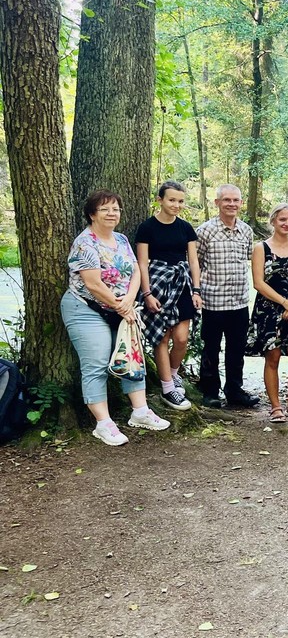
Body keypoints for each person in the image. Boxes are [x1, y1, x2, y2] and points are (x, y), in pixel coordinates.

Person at [61, 190, 170, 445]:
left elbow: (136, 271)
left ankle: (140, 411)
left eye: (116, 209)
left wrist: (129, 300)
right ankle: (103, 424)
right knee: (97, 363)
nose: (112, 213)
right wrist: (121, 307)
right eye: (105, 209)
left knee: (131, 356)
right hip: (86, 309)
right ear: (92, 214)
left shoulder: (121, 239)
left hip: (121, 308)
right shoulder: (85, 243)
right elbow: (93, 284)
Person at [245, 203, 288, 422]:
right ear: (273, 221)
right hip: (269, 310)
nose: (287, 224)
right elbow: (258, 283)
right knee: (273, 359)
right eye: (282, 219)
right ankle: (276, 407)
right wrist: (284, 303)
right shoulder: (261, 248)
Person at [136, 180, 202, 411]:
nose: (176, 205)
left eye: (180, 201)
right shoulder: (147, 227)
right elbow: (142, 263)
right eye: (172, 200)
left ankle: (173, 374)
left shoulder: (186, 228)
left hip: (182, 284)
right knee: (162, 337)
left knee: (182, 338)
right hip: (157, 283)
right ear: (160, 200)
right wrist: (147, 293)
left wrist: (196, 290)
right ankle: (167, 389)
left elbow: (193, 261)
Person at [196, 184, 259, 408]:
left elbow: (247, 260)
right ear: (217, 203)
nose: (231, 204)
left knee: (237, 349)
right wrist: (197, 291)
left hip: (239, 301)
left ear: (241, 203)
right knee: (211, 348)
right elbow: (196, 264)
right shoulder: (205, 231)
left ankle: (234, 390)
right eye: (226, 200)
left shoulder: (246, 231)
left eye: (235, 200)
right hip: (213, 301)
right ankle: (210, 391)